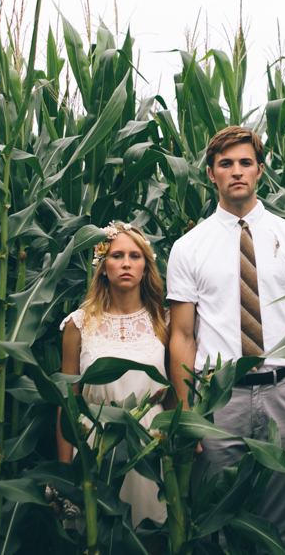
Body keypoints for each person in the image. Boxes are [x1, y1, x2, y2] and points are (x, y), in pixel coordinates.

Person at [165, 125, 285, 545]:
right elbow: (181, 336)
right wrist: (188, 416)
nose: (237, 171)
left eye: (245, 163)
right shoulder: (188, 247)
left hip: (283, 397)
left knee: (282, 523)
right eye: (226, 164)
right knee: (214, 521)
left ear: (260, 171)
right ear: (211, 174)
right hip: (218, 401)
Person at [57, 220, 170, 532]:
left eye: (135, 256)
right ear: (102, 265)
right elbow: (68, 402)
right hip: (96, 441)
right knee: (95, 534)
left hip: (148, 444)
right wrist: (63, 472)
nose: (126, 264)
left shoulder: (164, 322)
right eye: (117, 255)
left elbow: (174, 394)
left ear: (146, 267)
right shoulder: (78, 325)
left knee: (149, 534)